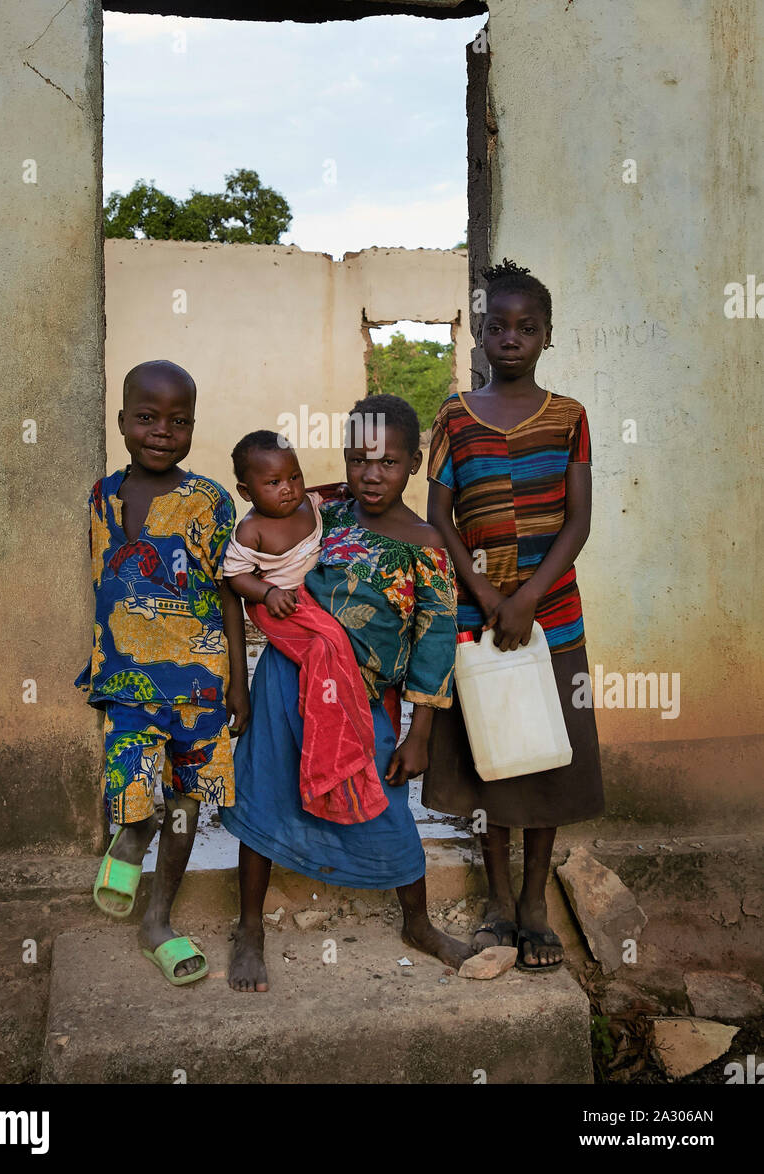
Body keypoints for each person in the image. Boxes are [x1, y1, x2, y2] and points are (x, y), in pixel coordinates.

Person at [219, 394, 474, 992]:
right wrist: (239, 680)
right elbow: (243, 568)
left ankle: (419, 922)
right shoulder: (325, 515)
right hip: (287, 680)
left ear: (413, 463)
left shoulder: (428, 546)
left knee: (387, 813)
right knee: (264, 794)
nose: (370, 473)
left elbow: (436, 647)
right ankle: (250, 928)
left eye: (387, 461)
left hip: (362, 705)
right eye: (358, 459)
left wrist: (419, 734)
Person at [423, 259, 604, 971]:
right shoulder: (454, 419)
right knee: (492, 759)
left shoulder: (570, 419)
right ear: (478, 334)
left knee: (545, 760)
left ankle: (535, 902)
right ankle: (498, 901)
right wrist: (489, 594)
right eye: (497, 326)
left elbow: (579, 521)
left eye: (527, 327)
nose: (511, 338)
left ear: (547, 337)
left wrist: (527, 598)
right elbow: (439, 514)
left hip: (552, 619)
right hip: (478, 618)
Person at [75, 359, 249, 984]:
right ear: (122, 421)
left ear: (193, 427)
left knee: (185, 805)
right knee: (137, 799)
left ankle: (158, 921)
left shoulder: (207, 501)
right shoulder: (101, 496)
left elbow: (231, 592)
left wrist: (241, 683)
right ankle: (127, 841)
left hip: (201, 690)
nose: (161, 432)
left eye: (179, 421)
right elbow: (104, 582)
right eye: (146, 418)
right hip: (127, 686)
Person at [222, 431, 387, 824]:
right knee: (323, 647)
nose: (288, 489)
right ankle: (329, 737)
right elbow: (234, 576)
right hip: (279, 607)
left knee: (339, 638)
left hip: (311, 598)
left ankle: (347, 719)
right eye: (273, 483)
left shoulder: (310, 505)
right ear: (247, 492)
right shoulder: (251, 530)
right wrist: (265, 593)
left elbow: (330, 495)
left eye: (294, 477)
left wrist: (345, 489)